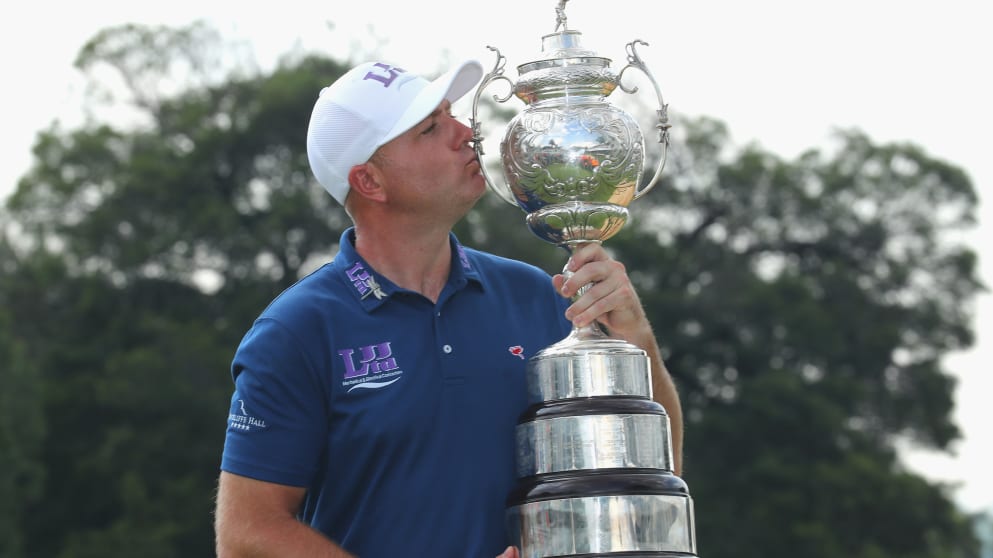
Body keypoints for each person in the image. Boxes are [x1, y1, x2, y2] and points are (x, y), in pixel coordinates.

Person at [214, 58, 683, 558]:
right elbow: (247, 534)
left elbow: (656, 469)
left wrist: (637, 341)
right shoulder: (296, 330)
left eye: (452, 115)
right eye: (432, 128)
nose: (467, 134)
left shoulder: (536, 292)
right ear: (370, 181)